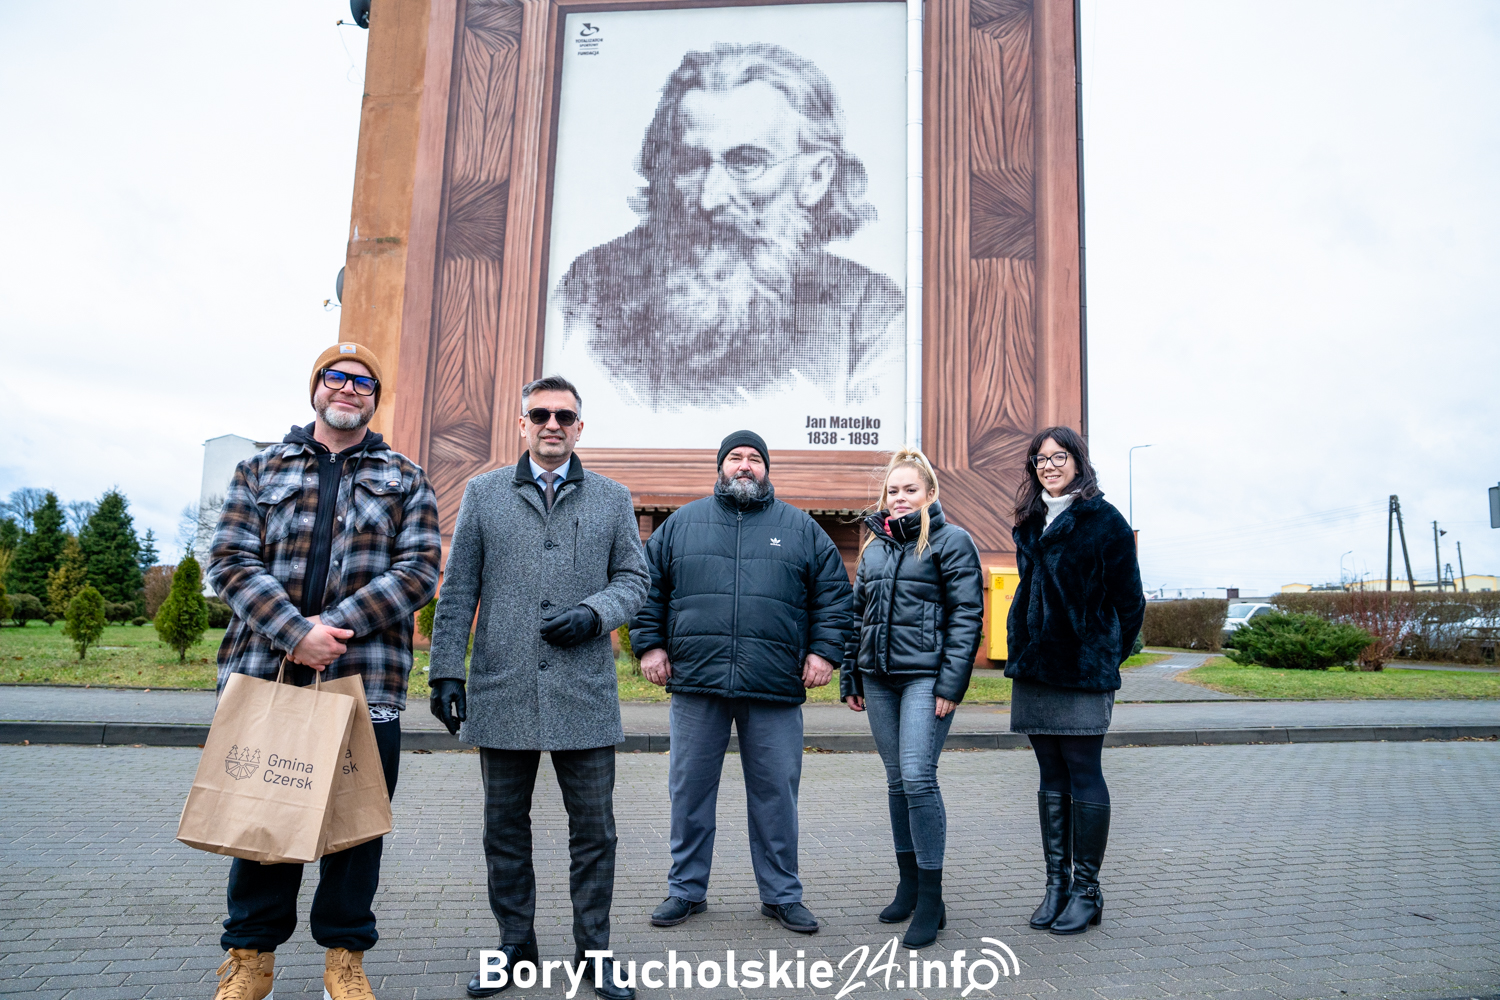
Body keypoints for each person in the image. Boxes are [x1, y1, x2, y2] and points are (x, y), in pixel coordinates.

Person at [206, 343, 442, 1000]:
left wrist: (330, 629)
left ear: (375, 396)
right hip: (266, 676)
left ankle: (346, 958)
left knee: (356, 828)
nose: (348, 388)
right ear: (316, 389)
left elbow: (421, 570)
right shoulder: (259, 469)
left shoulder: (406, 476)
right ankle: (250, 959)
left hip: (364, 680)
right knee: (261, 824)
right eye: (336, 377)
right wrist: (294, 633)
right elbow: (228, 561)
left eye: (363, 381)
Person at [427, 375, 649, 1000]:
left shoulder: (611, 498)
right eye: (540, 414)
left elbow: (635, 580)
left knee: (595, 831)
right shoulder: (484, 492)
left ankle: (594, 952)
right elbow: (460, 587)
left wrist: (596, 613)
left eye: (565, 416)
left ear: (581, 427)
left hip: (584, 691)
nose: (553, 424)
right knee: (504, 828)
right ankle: (515, 946)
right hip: (504, 686)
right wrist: (447, 669)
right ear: (522, 424)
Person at [554, 43, 903, 409]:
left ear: (814, 176)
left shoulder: (870, 314)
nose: (710, 198)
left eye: (747, 163)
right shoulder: (589, 285)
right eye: (691, 163)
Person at [631, 430, 854, 933]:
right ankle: (685, 891)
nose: (746, 465)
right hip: (696, 681)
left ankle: (781, 895)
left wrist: (823, 652)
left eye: (755, 458)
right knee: (689, 791)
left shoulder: (800, 528)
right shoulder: (681, 524)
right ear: (721, 467)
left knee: (777, 792)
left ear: (767, 469)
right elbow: (647, 589)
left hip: (774, 684)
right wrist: (650, 645)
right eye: (736, 457)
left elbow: (834, 597)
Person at [1004, 426, 1145, 936]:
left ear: (1078, 462)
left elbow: (1130, 603)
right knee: (1049, 775)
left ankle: (1088, 891)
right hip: (1037, 667)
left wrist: (1104, 653)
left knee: (1084, 770)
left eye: (1058, 457)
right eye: (1040, 460)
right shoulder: (1031, 520)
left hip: (1084, 671)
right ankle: (1056, 886)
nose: (1049, 466)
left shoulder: (1104, 521)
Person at [840, 449, 983, 948]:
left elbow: (967, 614)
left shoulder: (951, 542)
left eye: (910, 490)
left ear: (929, 494)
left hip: (926, 678)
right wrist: (851, 677)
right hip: (878, 678)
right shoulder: (875, 545)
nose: (899, 498)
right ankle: (908, 885)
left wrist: (951, 684)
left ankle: (932, 899)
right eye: (893, 491)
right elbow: (856, 617)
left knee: (919, 777)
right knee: (897, 780)